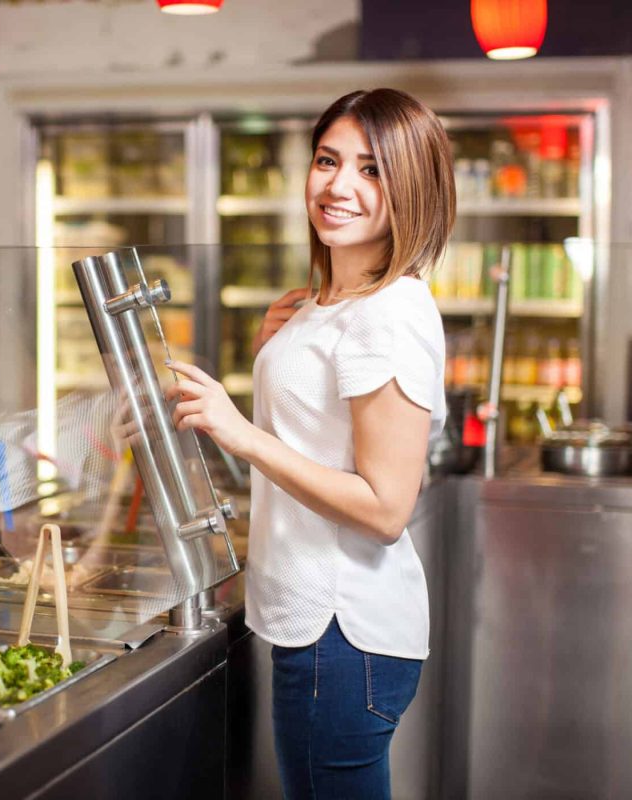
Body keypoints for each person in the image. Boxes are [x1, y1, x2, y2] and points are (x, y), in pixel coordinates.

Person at [166, 88, 454, 799]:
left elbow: (386, 507)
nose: (338, 185)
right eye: (328, 160)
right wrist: (281, 350)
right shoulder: (328, 304)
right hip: (319, 627)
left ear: (411, 187)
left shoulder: (388, 313)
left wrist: (240, 431)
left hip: (341, 634)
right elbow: (316, 442)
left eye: (372, 169)